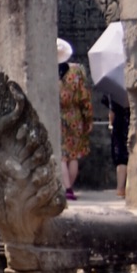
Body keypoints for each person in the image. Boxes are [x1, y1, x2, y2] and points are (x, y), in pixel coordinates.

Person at [58, 39, 92, 201]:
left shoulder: (48, 71)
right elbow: (85, 97)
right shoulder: (76, 72)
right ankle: (69, 188)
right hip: (75, 115)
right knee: (73, 155)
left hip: (56, 115)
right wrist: (88, 118)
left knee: (61, 155)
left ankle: (67, 188)